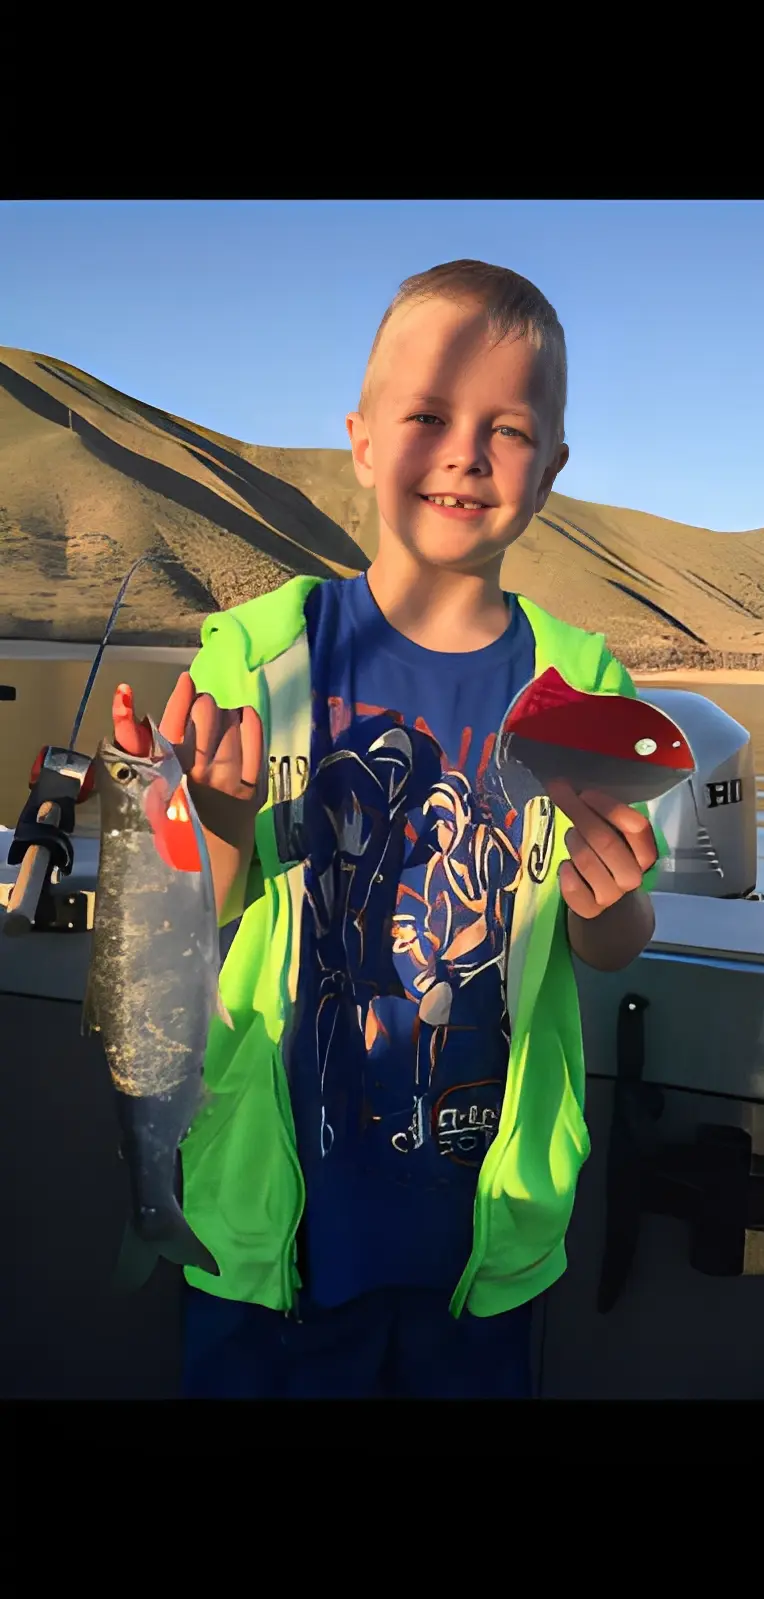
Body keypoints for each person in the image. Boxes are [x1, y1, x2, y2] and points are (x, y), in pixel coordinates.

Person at [112, 259, 666, 1399]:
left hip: (484, 1234)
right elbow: (197, 911)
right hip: (267, 1224)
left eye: (509, 429)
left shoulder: (583, 686)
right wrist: (217, 816)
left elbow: (609, 946)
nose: (466, 453)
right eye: (428, 418)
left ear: (552, 469)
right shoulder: (254, 657)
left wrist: (610, 900)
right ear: (362, 443)